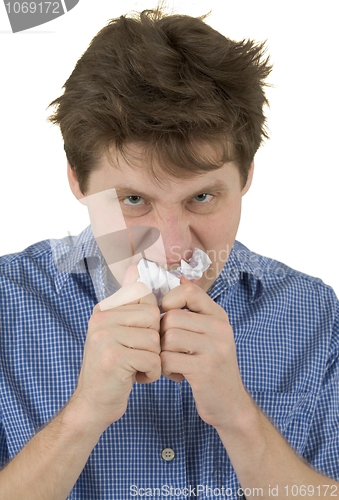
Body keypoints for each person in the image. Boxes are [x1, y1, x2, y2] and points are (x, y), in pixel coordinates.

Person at [0, 6, 338, 500]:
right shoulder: (6, 306)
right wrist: (82, 416)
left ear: (245, 177)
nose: (175, 248)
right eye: (133, 200)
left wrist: (240, 419)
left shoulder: (315, 316)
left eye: (202, 197)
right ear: (77, 180)